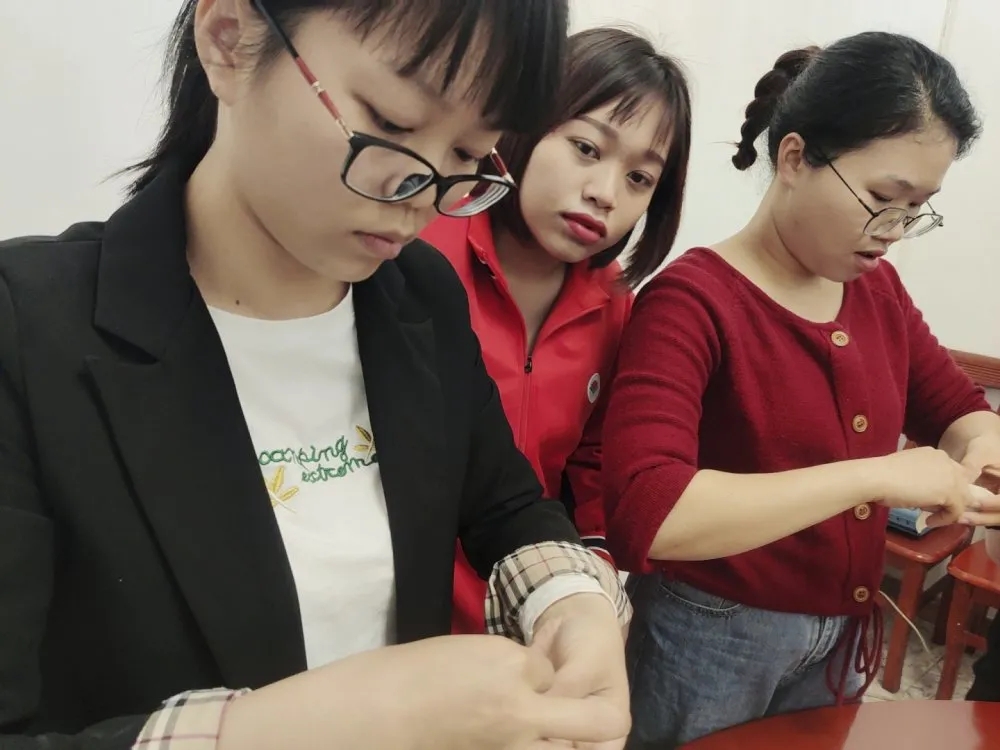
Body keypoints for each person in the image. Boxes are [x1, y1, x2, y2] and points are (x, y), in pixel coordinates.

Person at [0, 1, 635, 749]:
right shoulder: (26, 329)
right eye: (393, 123)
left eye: (469, 153)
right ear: (229, 39)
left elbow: (506, 505)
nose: (422, 198)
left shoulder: (420, 299)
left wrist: (570, 602)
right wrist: (304, 727)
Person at [599, 31, 1000, 747]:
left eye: (918, 207)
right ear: (794, 158)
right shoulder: (692, 300)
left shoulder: (877, 292)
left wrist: (982, 454)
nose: (895, 231)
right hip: (712, 637)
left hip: (839, 634)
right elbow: (650, 513)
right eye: (882, 198)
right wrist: (876, 476)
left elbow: (959, 410)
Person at [420, 26, 691, 634]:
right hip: (403, 615)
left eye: (640, 179)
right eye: (587, 148)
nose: (605, 194)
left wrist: (591, 571)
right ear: (521, 126)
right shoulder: (417, 253)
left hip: (531, 608)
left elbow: (593, 465)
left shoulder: (616, 305)